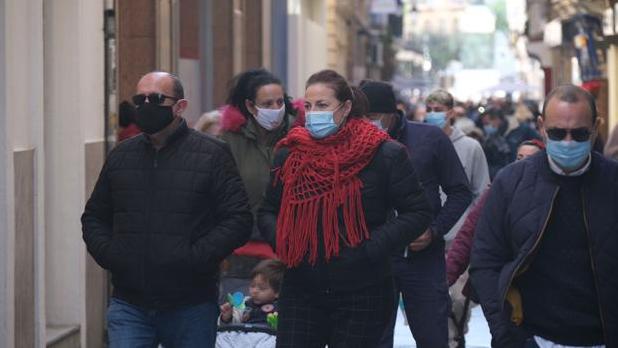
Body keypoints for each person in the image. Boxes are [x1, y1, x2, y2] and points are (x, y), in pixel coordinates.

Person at [258, 70, 432, 348]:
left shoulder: (384, 153)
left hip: (363, 288)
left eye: (323, 105)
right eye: (309, 106)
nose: (314, 113)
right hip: (302, 286)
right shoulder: (291, 153)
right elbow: (268, 209)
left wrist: (370, 247)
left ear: (346, 107)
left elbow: (417, 212)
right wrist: (285, 241)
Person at [82, 71, 253, 347]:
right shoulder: (121, 156)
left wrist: (193, 257)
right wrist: (113, 255)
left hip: (191, 304)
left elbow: (238, 220)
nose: (146, 105)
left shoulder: (212, 154)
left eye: (157, 98)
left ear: (179, 106)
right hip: (130, 303)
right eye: (141, 99)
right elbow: (94, 218)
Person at [470, 85, 618, 347]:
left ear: (595, 127)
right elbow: (485, 260)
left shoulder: (613, 181)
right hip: (533, 337)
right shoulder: (511, 182)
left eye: (580, 133)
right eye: (558, 133)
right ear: (541, 127)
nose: (568, 142)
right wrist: (506, 332)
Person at [359, 81, 472, 348]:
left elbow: (460, 191)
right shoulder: (355, 143)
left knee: (432, 336)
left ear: (392, 113)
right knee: (372, 339)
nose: (366, 124)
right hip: (373, 258)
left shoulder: (430, 139)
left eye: (372, 118)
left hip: (421, 259)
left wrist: (434, 230)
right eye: (361, 119)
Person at [445, 139, 545, 348]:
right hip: (503, 288)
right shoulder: (499, 191)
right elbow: (468, 235)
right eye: (519, 158)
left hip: (541, 291)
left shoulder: (550, 193)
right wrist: (446, 277)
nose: (523, 164)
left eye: (530, 159)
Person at [219, 259, 285, 326]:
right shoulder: (244, 303)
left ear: (277, 292)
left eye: (262, 288)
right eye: (252, 286)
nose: (255, 291)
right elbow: (234, 325)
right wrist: (227, 317)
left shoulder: (281, 307)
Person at [480, 107, 512, 179]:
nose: (485, 126)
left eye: (487, 123)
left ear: (497, 120)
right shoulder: (489, 138)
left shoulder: (512, 135)